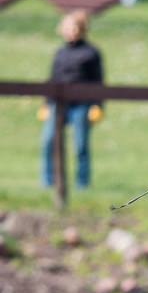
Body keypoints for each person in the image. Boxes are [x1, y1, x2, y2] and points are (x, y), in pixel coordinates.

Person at [39, 10, 104, 189]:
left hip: (81, 104)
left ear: (82, 29)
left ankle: (82, 183)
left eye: (74, 28)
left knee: (80, 145)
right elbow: (52, 78)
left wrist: (97, 105)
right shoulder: (60, 52)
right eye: (67, 28)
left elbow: (98, 81)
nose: (70, 31)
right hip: (57, 104)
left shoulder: (91, 52)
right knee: (48, 141)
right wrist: (46, 103)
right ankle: (47, 181)